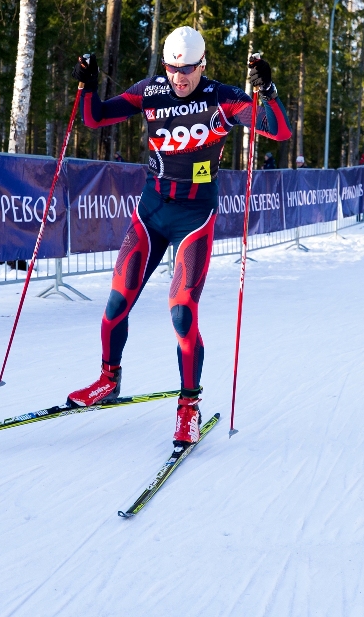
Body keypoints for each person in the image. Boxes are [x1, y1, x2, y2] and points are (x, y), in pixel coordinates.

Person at [68, 26, 291, 448]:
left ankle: (189, 406)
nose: (179, 77)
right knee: (117, 302)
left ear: (201, 65)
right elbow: (95, 117)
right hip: (151, 212)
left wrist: (270, 89)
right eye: (172, 68)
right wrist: (87, 85)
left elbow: (278, 131)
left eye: (187, 69)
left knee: (182, 312)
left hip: (194, 217)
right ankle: (107, 379)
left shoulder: (221, 98)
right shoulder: (150, 91)